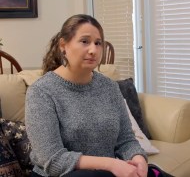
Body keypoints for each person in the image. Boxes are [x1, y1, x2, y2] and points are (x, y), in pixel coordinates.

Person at [25, 14, 148, 177]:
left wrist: (138, 158)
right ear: (63, 45)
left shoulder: (110, 87)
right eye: (85, 41)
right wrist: (111, 164)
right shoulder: (41, 92)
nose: (93, 50)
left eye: (98, 43)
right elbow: (52, 160)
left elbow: (126, 140)